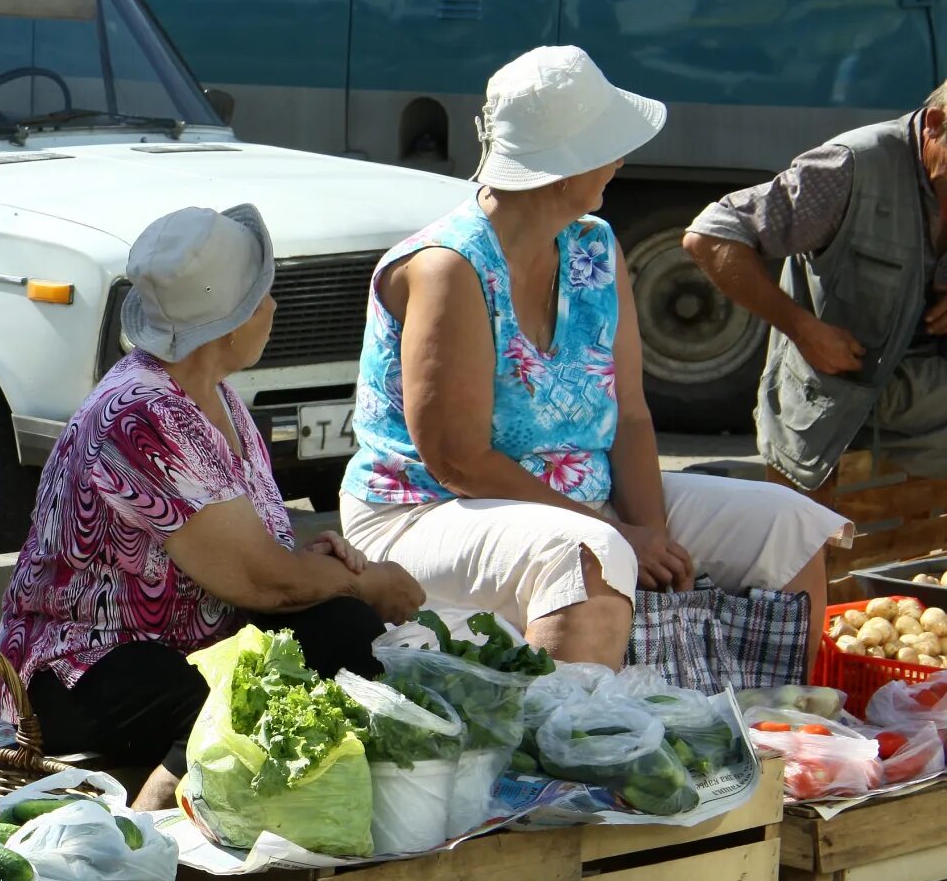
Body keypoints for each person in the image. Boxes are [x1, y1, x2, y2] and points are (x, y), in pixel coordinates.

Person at [340, 46, 849, 670]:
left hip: (576, 499)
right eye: (607, 146)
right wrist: (621, 536)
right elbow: (458, 461)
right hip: (422, 514)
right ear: (563, 168)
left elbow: (630, 416)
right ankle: (572, 756)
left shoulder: (593, 245)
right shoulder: (450, 266)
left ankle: (769, 734)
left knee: (787, 524)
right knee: (590, 554)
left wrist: (654, 535)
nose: (621, 160)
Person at [0, 204, 427, 812]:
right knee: (217, 692)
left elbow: (257, 558)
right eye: (263, 296)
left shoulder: (215, 398)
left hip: (198, 636)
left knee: (343, 631)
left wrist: (321, 571)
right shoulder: (140, 415)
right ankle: (143, 826)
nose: (274, 308)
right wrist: (365, 582)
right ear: (228, 325)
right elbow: (262, 581)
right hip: (83, 670)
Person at [683, 82, 947, 491]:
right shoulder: (853, 166)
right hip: (832, 405)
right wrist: (804, 330)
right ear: (935, 125)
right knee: (806, 539)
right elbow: (711, 235)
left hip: (925, 401)